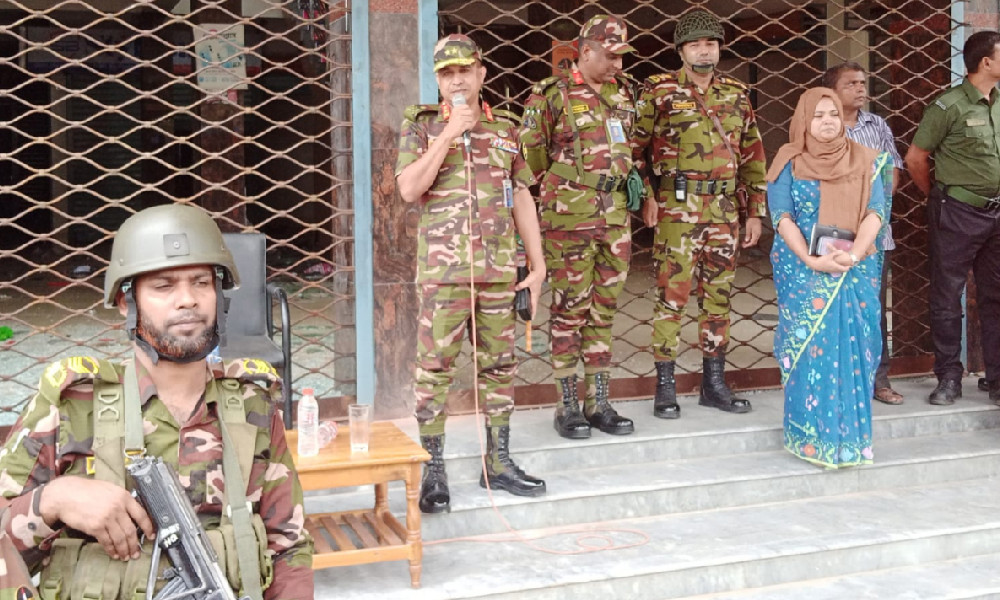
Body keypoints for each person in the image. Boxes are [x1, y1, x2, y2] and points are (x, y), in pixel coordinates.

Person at [0, 204, 313, 598]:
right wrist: (52, 501)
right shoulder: (72, 406)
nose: (188, 300)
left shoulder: (254, 405)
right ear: (126, 303)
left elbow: (288, 546)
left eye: (201, 283)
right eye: (163, 286)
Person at [395, 34, 547, 514]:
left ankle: (498, 461)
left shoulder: (506, 127)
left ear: (482, 74)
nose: (456, 80)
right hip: (445, 274)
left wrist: (537, 264)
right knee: (434, 371)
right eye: (446, 73)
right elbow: (408, 189)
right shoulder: (419, 127)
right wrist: (447, 135)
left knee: (501, 368)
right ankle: (433, 468)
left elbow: (521, 194)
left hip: (500, 273)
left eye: (465, 70)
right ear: (437, 81)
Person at [632, 9, 766, 419]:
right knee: (672, 298)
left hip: (724, 211)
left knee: (718, 299)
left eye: (710, 43)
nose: (703, 50)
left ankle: (713, 383)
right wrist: (647, 197)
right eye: (695, 44)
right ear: (681, 50)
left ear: (719, 47)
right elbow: (634, 151)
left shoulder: (736, 93)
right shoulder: (658, 91)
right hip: (677, 210)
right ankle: (666, 385)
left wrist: (755, 212)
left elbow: (753, 156)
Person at [519, 14, 639, 440]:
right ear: (585, 51)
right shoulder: (551, 96)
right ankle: (567, 403)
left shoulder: (623, 95)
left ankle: (599, 401)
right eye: (611, 57)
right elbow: (529, 164)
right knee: (570, 311)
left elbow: (631, 149)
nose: (618, 66)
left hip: (615, 217)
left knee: (604, 311)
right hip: (569, 220)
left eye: (622, 58)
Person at [767, 87, 890, 468]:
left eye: (833, 114)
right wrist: (809, 259)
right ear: (804, 119)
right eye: (818, 115)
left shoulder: (867, 160)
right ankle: (809, 439)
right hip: (805, 273)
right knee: (809, 352)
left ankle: (851, 444)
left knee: (853, 351)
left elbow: (876, 212)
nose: (826, 122)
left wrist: (853, 255)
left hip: (855, 272)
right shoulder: (788, 161)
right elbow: (781, 216)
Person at [904, 30, 1000, 407]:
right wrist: (939, 198)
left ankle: (996, 379)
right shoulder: (949, 106)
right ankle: (948, 377)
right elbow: (915, 159)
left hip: (996, 214)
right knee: (947, 298)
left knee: (995, 298)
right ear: (986, 63)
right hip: (957, 212)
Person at [824, 61, 905, 405]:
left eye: (862, 82)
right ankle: (838, 380)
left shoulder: (878, 125)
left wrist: (876, 207)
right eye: (851, 83)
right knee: (834, 307)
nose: (860, 88)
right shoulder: (821, 127)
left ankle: (879, 380)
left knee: (872, 310)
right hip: (833, 233)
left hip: (874, 235)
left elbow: (893, 170)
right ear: (832, 91)